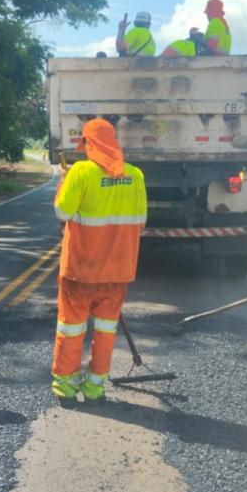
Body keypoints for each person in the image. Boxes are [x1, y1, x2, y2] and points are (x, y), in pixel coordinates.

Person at [51, 118, 147, 404]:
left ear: (87, 144)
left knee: (71, 328)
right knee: (106, 330)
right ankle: (95, 388)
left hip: (80, 271)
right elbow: (141, 222)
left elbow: (62, 212)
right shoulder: (136, 175)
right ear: (114, 142)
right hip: (118, 272)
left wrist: (64, 181)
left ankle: (66, 387)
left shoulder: (80, 171)